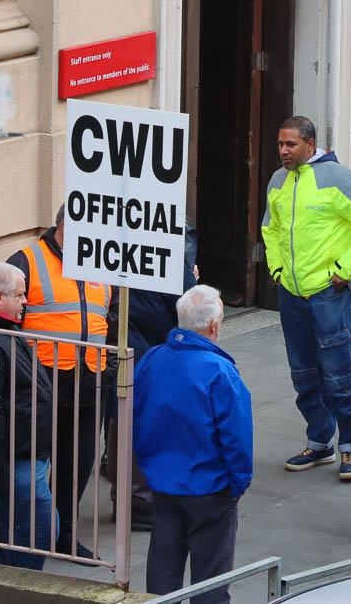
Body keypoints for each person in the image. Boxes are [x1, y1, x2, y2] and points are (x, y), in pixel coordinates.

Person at [262, 116, 351, 481]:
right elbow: (269, 229)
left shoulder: (338, 178)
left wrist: (344, 269)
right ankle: (320, 441)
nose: (283, 151)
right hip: (292, 294)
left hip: (328, 295)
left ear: (310, 144)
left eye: (290, 145)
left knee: (336, 375)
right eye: (280, 145)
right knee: (302, 375)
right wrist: (276, 272)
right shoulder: (277, 181)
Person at [6, 205, 116, 561]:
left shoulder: (101, 262)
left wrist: (109, 366)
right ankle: (25, 535)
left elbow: (108, 319)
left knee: (78, 463)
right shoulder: (26, 260)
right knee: (31, 463)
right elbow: (9, 321)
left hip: (89, 379)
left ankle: (64, 536)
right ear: (64, 226)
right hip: (41, 382)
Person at [134, 285, 252, 603]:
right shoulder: (220, 371)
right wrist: (237, 485)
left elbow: (135, 415)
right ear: (214, 325)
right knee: (210, 581)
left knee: (162, 574)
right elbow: (237, 440)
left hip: (163, 484)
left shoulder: (151, 360)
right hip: (210, 490)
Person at [106, 224, 199, 531]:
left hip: (122, 349)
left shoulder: (113, 245)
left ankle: (127, 499)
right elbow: (187, 306)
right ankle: (140, 505)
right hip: (153, 354)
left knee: (122, 422)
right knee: (144, 427)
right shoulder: (164, 254)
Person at [0, 262, 55, 569]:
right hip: (16, 456)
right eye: (19, 295)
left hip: (29, 452)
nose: (24, 302)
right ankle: (22, 582)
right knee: (38, 526)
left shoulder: (11, 331)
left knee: (34, 523)